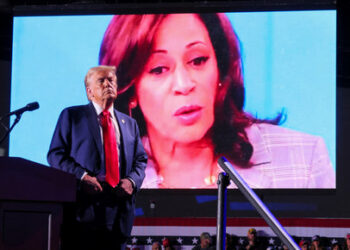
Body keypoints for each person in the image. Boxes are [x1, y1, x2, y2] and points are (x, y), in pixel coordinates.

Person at [99, 13, 335, 189]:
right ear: (130, 92)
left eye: (198, 60)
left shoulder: (303, 158)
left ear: (221, 70)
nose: (184, 84)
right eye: (159, 69)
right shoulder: (106, 174)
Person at [47, 65, 147, 250]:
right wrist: (82, 177)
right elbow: (55, 155)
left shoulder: (130, 124)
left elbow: (140, 160)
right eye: (102, 80)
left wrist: (132, 181)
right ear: (89, 91)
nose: (108, 84)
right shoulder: (72, 116)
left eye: (112, 80)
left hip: (119, 212)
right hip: (83, 209)